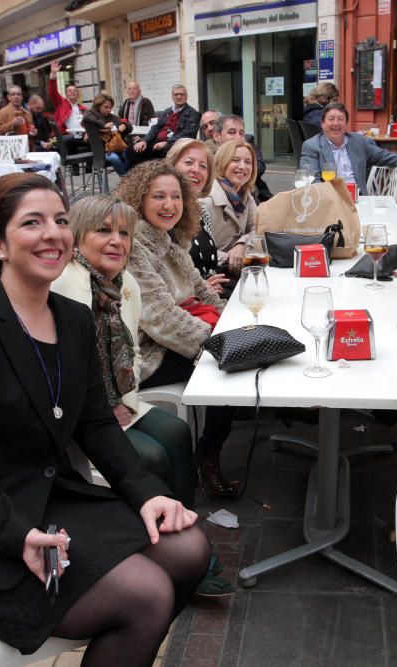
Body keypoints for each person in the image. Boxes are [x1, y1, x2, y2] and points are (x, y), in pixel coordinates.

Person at [0, 173, 210, 664]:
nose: (53, 233)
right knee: (147, 593)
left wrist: (147, 492)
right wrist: (13, 533)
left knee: (190, 548)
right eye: (32, 222)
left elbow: (95, 424)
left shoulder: (71, 318)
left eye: (61, 221)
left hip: (54, 503)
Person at [51, 193, 234, 597]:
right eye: (103, 231)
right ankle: (163, 548)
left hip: (118, 402)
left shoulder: (124, 284)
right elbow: (68, 372)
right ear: (78, 238)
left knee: (173, 432)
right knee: (148, 455)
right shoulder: (66, 287)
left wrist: (125, 403)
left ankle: (184, 532)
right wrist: (108, 408)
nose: (117, 241)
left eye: (124, 233)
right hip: (76, 414)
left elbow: (129, 351)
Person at [115, 162, 237, 499]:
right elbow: (160, 318)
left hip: (177, 339)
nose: (169, 204)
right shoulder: (135, 245)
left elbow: (203, 290)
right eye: (158, 196)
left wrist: (236, 322)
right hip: (145, 354)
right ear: (139, 200)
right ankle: (208, 455)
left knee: (237, 358)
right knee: (225, 371)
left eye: (175, 196)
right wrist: (222, 342)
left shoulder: (168, 240)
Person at [300, 102, 397, 193]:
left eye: (341, 119)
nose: (336, 123)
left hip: (359, 200)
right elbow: (311, 181)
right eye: (331, 119)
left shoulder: (357, 141)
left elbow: (385, 156)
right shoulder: (312, 146)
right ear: (322, 123)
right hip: (330, 200)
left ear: (346, 123)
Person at [164, 139, 230, 295]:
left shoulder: (201, 211)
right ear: (171, 166)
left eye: (203, 166)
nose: (196, 170)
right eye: (188, 162)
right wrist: (200, 290)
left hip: (211, 298)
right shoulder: (163, 213)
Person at [199, 139, 258, 276]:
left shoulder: (245, 194)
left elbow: (260, 228)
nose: (242, 166)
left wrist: (242, 245)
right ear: (222, 163)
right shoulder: (205, 200)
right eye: (235, 160)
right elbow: (199, 249)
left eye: (248, 162)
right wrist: (230, 257)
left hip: (238, 267)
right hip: (213, 272)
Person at [125, 85, 200, 166]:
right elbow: (156, 128)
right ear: (172, 97)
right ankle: (146, 172)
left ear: (186, 96)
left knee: (163, 152)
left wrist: (167, 142)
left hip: (174, 144)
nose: (179, 97)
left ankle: (150, 171)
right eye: (176, 94)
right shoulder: (167, 111)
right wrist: (144, 140)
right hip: (157, 142)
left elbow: (188, 134)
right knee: (131, 150)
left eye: (182, 94)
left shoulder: (193, 114)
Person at [210, 114, 272, 202]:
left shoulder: (247, 145)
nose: (238, 137)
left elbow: (260, 166)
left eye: (241, 133)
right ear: (216, 136)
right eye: (231, 132)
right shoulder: (206, 159)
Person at [81, 93, 128, 176]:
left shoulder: (112, 117)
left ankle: (129, 178)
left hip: (116, 147)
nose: (109, 110)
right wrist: (104, 125)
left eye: (110, 107)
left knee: (130, 154)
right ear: (98, 106)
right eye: (106, 107)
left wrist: (124, 125)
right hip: (100, 151)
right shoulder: (91, 115)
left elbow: (127, 125)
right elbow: (87, 116)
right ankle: (126, 180)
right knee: (115, 158)